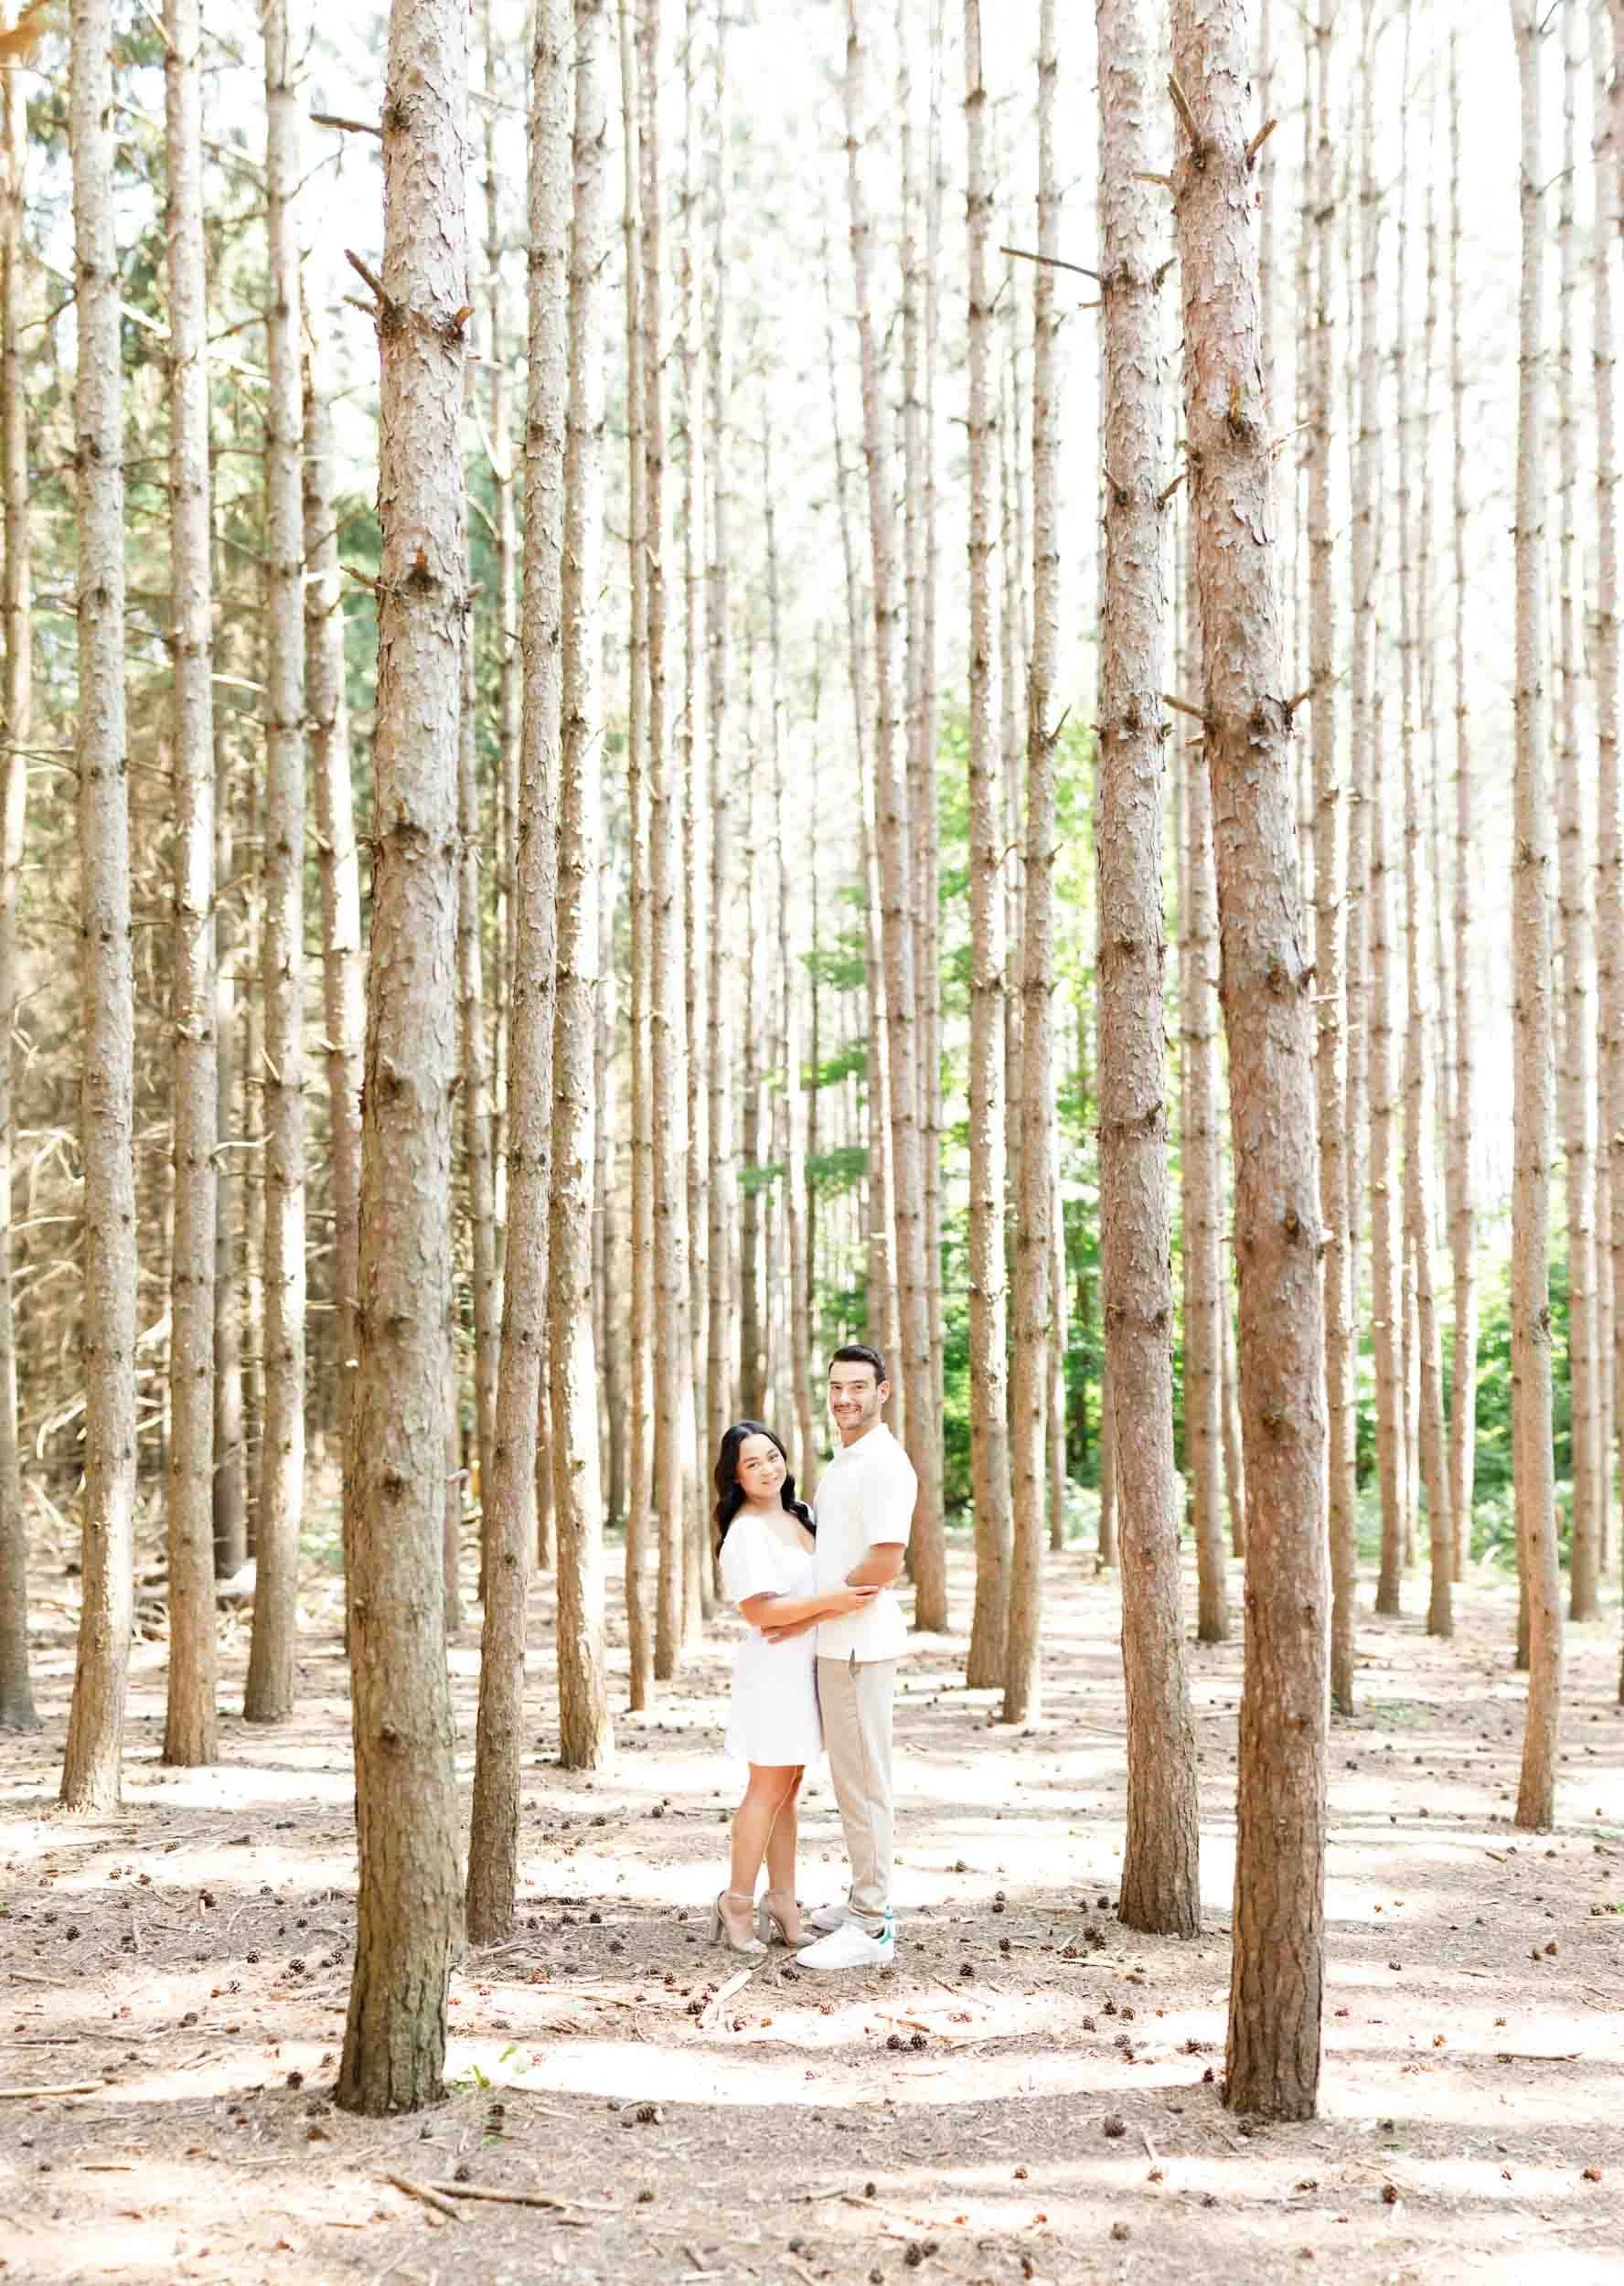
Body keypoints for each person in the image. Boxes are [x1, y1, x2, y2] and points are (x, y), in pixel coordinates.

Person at [768, 1344, 916, 1972]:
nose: (844, 1398)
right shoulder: (847, 1460)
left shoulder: (884, 1463)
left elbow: (886, 1562)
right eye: (836, 1387)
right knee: (852, 1783)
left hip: (859, 1646)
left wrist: (814, 1613)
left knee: (864, 1786)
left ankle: (873, 1926)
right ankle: (864, 1899)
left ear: (884, 1392)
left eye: (858, 1387)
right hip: (835, 1644)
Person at [710, 1419, 880, 1956]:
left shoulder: (799, 1513)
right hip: (774, 1670)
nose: (767, 1468)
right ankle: (737, 1901)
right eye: (751, 1463)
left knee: (788, 1793)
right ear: (736, 1477)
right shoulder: (745, 1532)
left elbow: (806, 1600)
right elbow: (760, 1612)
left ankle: (783, 1901)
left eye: (771, 1456)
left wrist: (817, 1614)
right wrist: (830, 1604)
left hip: (807, 1663)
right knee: (766, 1789)